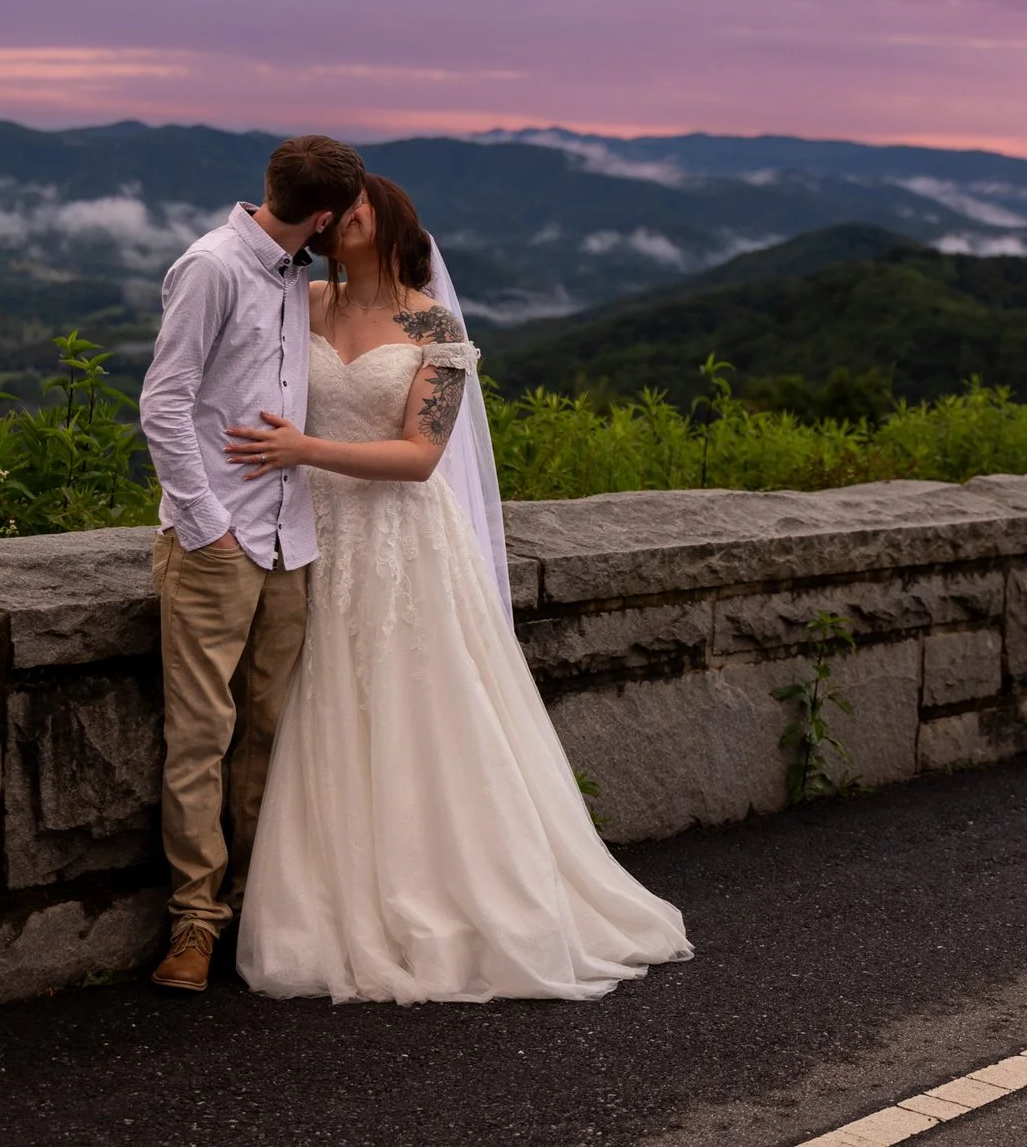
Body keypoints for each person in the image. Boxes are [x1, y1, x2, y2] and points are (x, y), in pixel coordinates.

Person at [225, 174, 692, 1002]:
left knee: (417, 710)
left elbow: (419, 458)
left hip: (401, 543)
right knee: (316, 707)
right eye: (331, 214)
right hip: (309, 536)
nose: (339, 222)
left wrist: (305, 451)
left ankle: (445, 896)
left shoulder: (432, 326)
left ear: (388, 220)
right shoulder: (305, 301)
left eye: (354, 210)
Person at [135, 134, 368, 992]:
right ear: (319, 217)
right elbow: (163, 405)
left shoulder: (297, 278)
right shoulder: (211, 267)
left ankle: (254, 911)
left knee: (270, 733)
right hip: (218, 544)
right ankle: (195, 924)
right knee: (201, 737)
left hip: (292, 542)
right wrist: (206, 527)